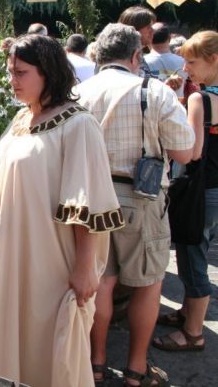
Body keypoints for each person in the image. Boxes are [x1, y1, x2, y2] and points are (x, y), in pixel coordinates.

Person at [0, 34, 124, 387]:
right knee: (10, 331)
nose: (12, 81)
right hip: (8, 254)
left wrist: (85, 268)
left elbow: (86, 203)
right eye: (10, 72)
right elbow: (1, 159)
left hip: (47, 260)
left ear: (48, 72)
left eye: (21, 72)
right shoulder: (24, 118)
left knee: (41, 339)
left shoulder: (78, 125)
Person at [79, 24, 194, 387]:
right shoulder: (155, 91)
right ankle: (136, 370)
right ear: (135, 56)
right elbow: (184, 153)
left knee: (101, 284)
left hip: (90, 200)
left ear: (97, 56)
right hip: (141, 199)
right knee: (148, 285)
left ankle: (95, 364)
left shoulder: (76, 92)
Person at [152, 31, 218, 353]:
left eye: (191, 61)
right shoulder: (207, 98)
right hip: (216, 190)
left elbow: (192, 151)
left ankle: (194, 333)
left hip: (200, 190)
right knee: (200, 249)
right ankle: (187, 314)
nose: (186, 68)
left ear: (212, 60)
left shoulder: (200, 98)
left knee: (192, 259)